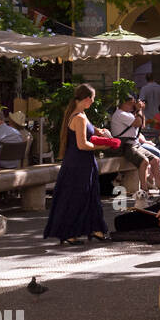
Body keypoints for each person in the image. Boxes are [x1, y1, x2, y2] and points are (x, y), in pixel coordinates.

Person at [43, 84, 109, 245]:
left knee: (88, 196)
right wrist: (103, 146)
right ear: (86, 99)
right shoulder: (79, 117)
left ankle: (95, 229)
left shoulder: (80, 114)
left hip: (80, 162)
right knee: (77, 197)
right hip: (79, 162)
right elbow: (82, 144)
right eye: (92, 100)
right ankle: (69, 233)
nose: (92, 102)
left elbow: (88, 130)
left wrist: (100, 131)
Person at [110, 94, 160, 194]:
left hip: (135, 144)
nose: (132, 106)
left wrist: (140, 110)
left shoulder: (129, 113)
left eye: (133, 104)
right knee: (144, 161)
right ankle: (144, 189)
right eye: (130, 104)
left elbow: (142, 124)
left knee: (155, 160)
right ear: (122, 104)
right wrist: (138, 110)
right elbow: (138, 123)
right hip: (126, 146)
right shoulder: (120, 114)